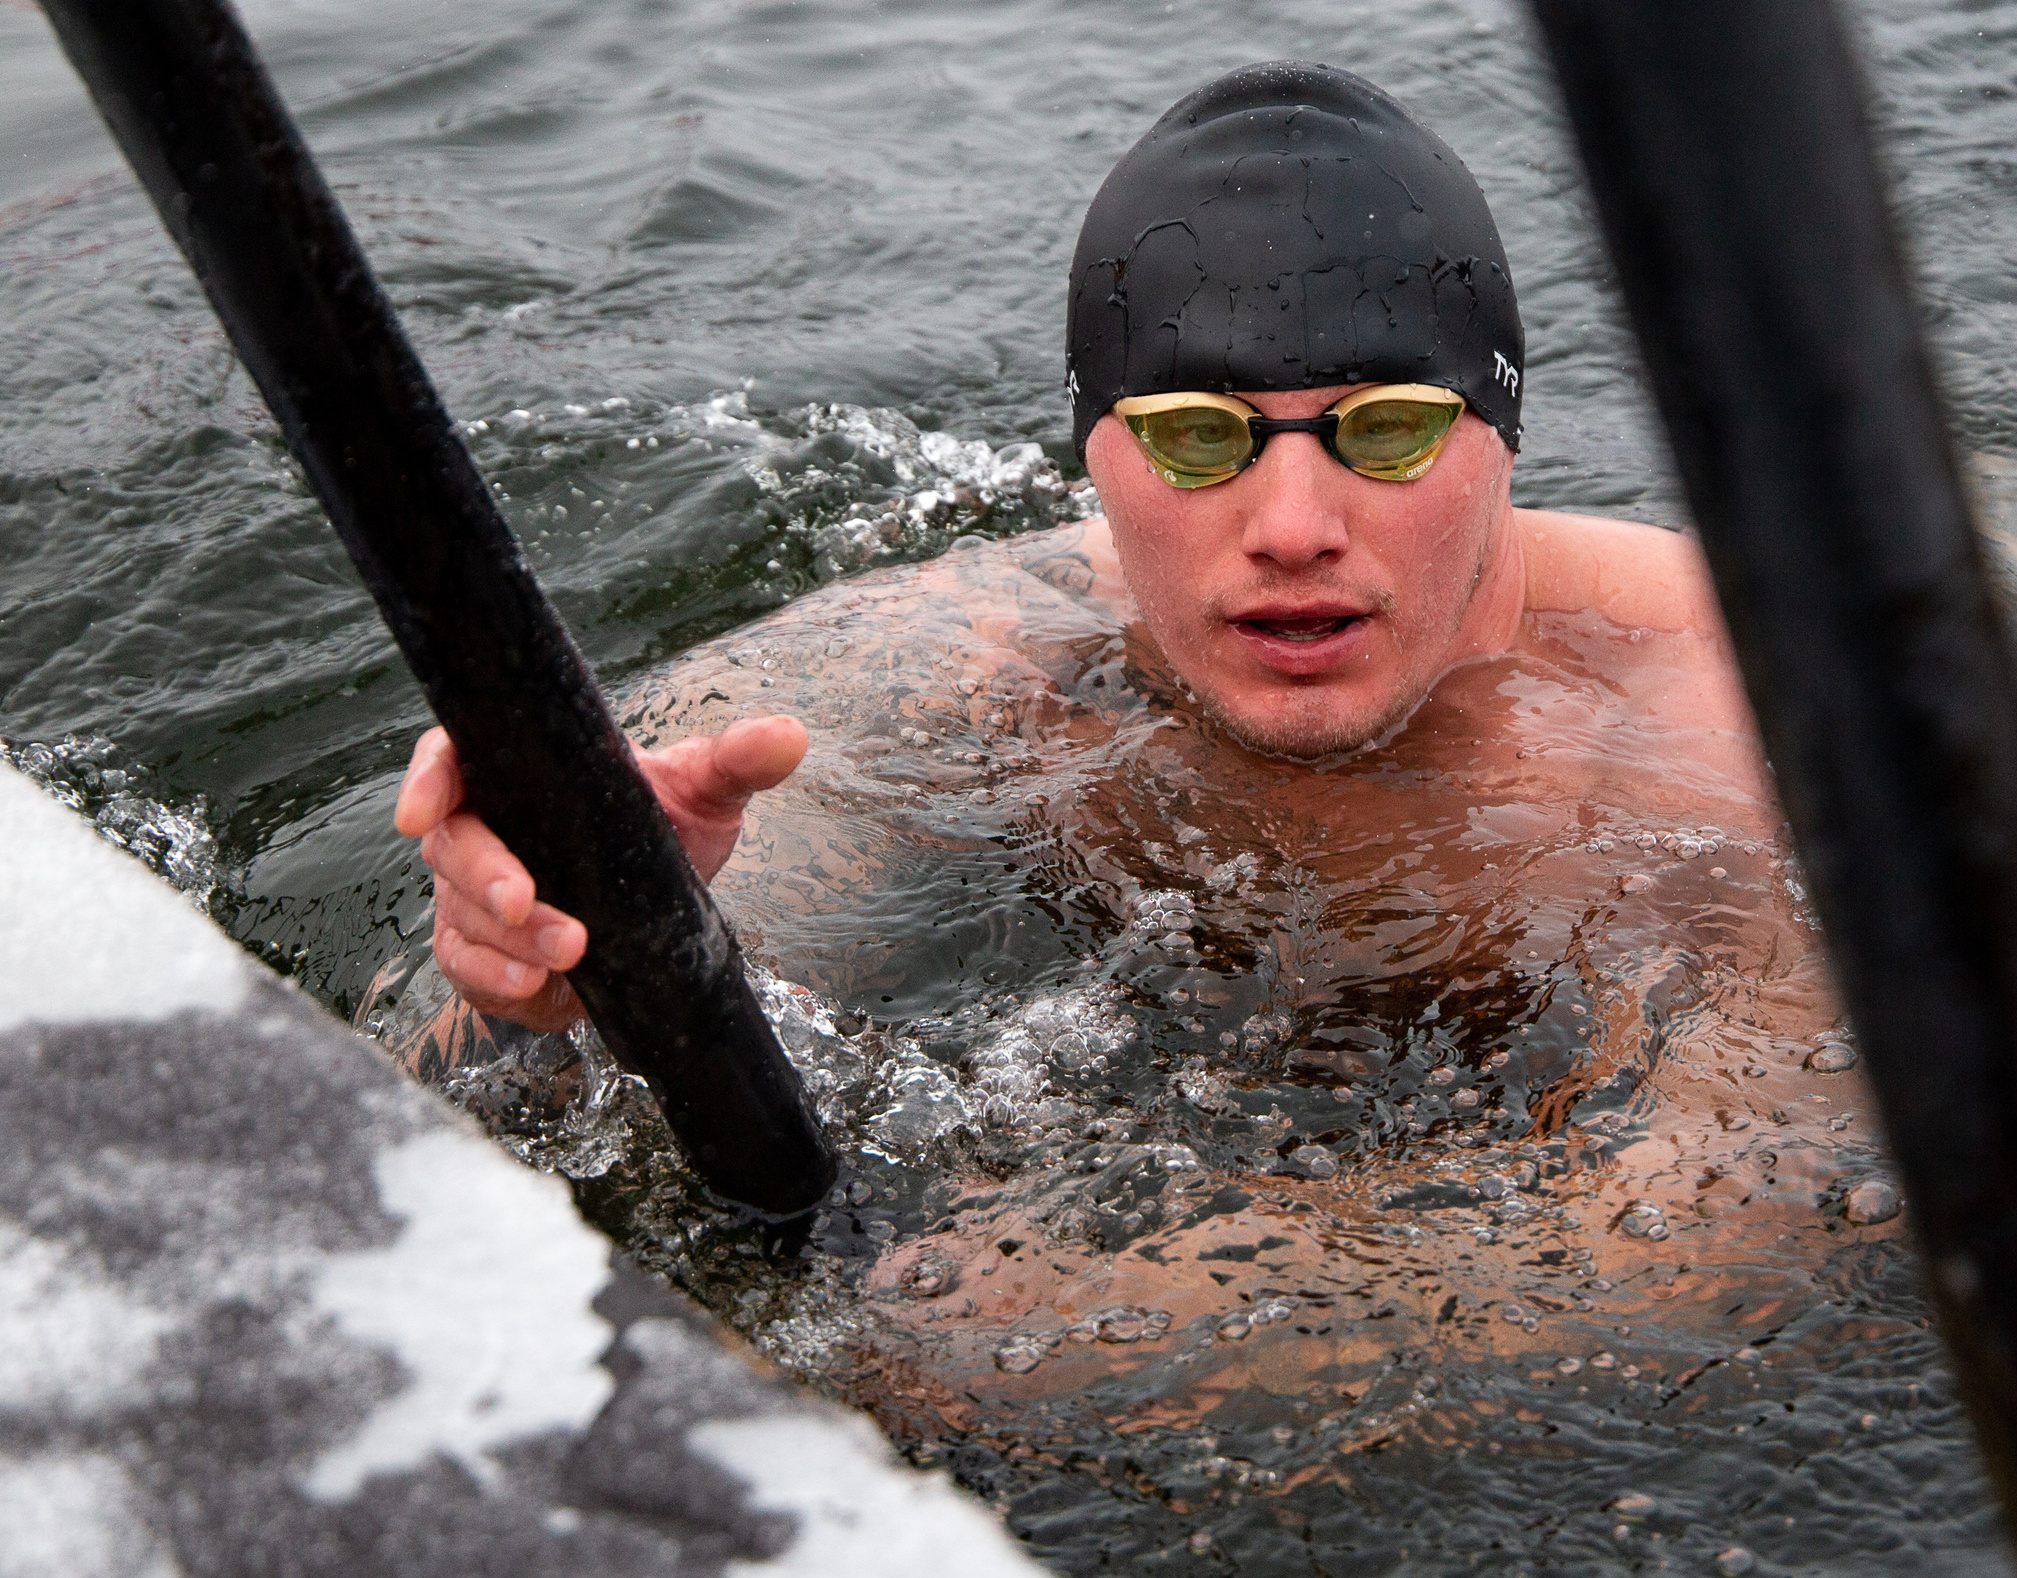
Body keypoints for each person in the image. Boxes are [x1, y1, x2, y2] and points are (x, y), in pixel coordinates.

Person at [388, 63, 1879, 1414]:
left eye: (1388, 429)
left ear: (1503, 434)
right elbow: (469, 1022)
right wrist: (572, 962)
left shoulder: (1740, 718)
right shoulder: (982, 651)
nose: (1293, 529)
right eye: (1195, 436)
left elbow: (1739, 1232)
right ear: (1094, 454)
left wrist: (1186, 1308)